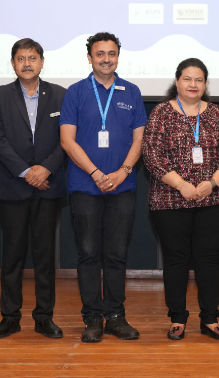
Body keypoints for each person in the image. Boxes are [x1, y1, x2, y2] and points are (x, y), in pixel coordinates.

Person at [59, 32, 147, 343]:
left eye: (111, 54)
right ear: (90, 58)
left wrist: (123, 172)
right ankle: (92, 318)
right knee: (87, 254)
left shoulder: (132, 91)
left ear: (118, 57)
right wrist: (96, 173)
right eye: (100, 54)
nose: (106, 59)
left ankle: (116, 316)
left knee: (117, 254)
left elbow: (140, 139)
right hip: (85, 185)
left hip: (122, 187)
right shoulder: (76, 92)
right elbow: (67, 140)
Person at [143, 58, 219, 341]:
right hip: (169, 199)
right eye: (187, 79)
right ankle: (177, 319)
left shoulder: (218, 114)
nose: (193, 84)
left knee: (209, 260)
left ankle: (210, 319)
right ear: (177, 82)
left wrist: (211, 184)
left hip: (212, 200)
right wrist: (182, 185)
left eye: (199, 79)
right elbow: (152, 156)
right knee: (176, 260)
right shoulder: (161, 113)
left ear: (205, 84)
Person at [0, 38, 67, 339]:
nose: (27, 63)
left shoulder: (60, 95)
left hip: (48, 185)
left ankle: (44, 317)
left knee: (45, 257)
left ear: (42, 62)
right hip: (13, 186)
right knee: (12, 256)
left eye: (32, 58)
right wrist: (26, 172)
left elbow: (67, 138)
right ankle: (10, 317)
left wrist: (45, 169)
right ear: (13, 64)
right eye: (21, 58)